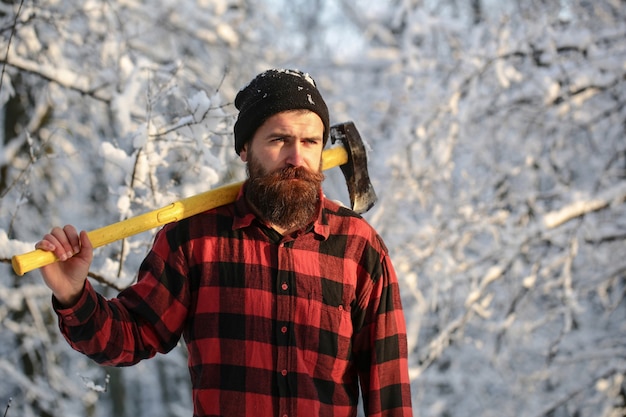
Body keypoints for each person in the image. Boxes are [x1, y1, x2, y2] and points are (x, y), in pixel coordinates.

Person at [36, 69, 413, 417]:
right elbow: (130, 336)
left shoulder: (358, 248)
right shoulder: (194, 239)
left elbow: (390, 390)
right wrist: (74, 297)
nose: (296, 158)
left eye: (310, 141)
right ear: (245, 149)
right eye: (279, 139)